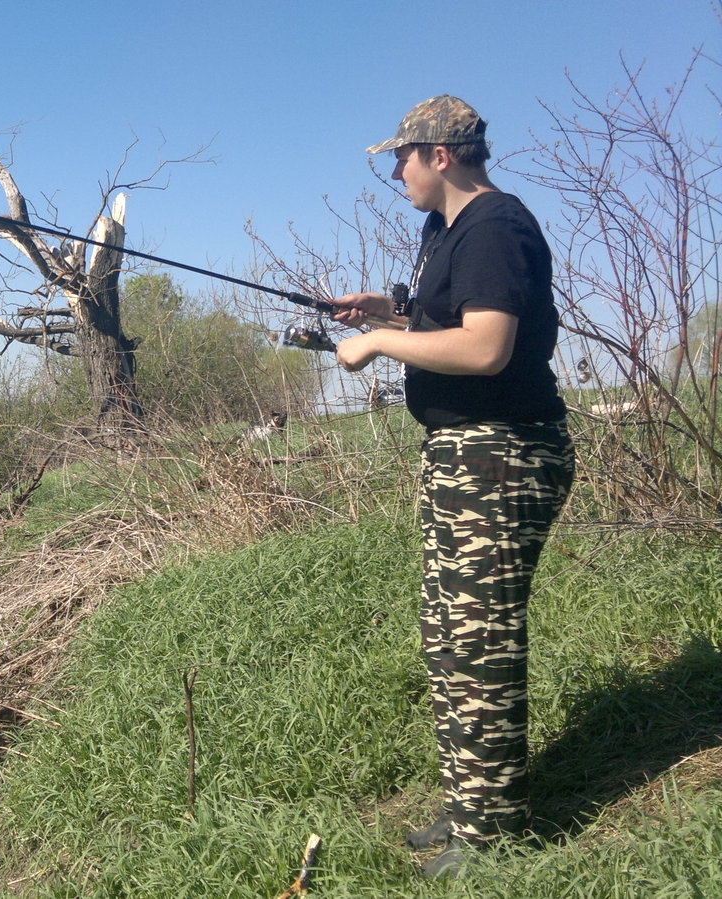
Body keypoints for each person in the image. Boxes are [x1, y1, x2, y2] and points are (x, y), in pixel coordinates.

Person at [329, 95, 575, 878]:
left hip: (504, 454)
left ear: (441, 154)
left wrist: (379, 340)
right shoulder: (446, 232)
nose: (394, 169)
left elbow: (489, 344)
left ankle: (494, 835)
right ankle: (475, 801)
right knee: (448, 640)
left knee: (480, 642)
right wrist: (391, 304)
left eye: (401, 155)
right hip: (462, 453)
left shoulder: (497, 224)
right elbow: (453, 308)